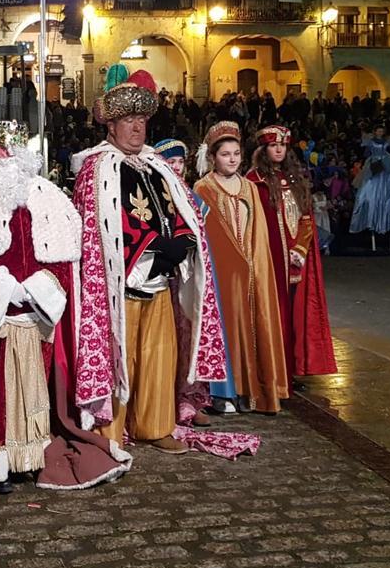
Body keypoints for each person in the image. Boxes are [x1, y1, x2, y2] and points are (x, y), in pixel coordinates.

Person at [0, 121, 131, 495]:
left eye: (8, 150)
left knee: (35, 392)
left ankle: (32, 457)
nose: (1, 156)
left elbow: (64, 262)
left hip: (37, 318)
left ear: (24, 156)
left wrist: (37, 289)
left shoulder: (48, 198)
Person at [71, 67, 257, 460]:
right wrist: (155, 245)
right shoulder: (97, 168)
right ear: (112, 126)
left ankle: (154, 425)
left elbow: (181, 207)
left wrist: (186, 239)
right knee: (123, 356)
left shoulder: (155, 165)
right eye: (128, 121)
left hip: (160, 279)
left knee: (159, 354)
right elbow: (101, 228)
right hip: (119, 285)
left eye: (141, 121)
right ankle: (112, 430)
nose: (137, 128)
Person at [194, 123, 289, 414]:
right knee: (227, 327)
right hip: (222, 275)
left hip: (251, 270)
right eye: (225, 154)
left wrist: (256, 266)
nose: (232, 159)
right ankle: (227, 392)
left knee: (255, 323)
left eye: (236, 153)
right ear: (213, 157)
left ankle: (256, 388)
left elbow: (258, 231)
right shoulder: (204, 188)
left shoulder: (249, 187)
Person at [246, 125, 336, 392]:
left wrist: (300, 250)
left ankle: (290, 370)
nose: (278, 150)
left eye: (283, 146)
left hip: (295, 261)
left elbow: (307, 219)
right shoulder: (254, 182)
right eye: (274, 146)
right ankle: (270, 373)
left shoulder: (294, 179)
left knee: (294, 318)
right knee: (273, 316)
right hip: (269, 261)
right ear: (263, 149)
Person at [158, 136, 238, 416]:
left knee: (187, 337)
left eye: (181, 162)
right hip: (160, 278)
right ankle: (161, 399)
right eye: (171, 162)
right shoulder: (156, 191)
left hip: (188, 277)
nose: (177, 167)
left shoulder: (190, 195)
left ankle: (188, 396)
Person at [348, 125, 390, 250]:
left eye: (382, 130)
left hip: (385, 168)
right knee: (367, 192)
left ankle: (384, 221)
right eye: (378, 130)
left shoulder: (387, 142)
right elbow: (366, 152)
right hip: (374, 168)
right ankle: (370, 220)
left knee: (387, 191)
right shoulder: (370, 142)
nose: (380, 132)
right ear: (375, 131)